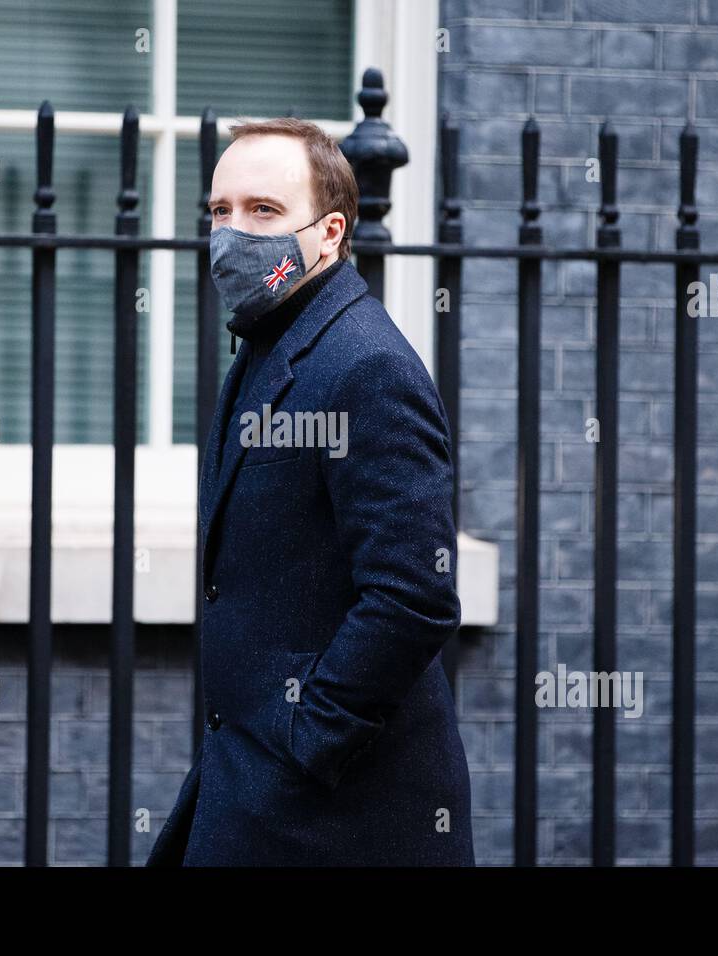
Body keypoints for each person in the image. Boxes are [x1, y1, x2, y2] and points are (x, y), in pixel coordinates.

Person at [146, 116, 473, 866]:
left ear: (329, 235)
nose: (232, 233)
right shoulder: (269, 348)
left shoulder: (367, 368)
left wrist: (306, 742)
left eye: (263, 211)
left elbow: (413, 595)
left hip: (335, 818)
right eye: (219, 211)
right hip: (252, 791)